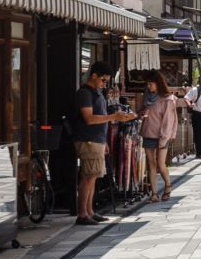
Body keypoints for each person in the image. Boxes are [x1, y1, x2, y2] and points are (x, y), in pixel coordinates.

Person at [71, 62, 135, 226]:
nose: (105, 84)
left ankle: (90, 211)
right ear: (94, 76)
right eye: (103, 80)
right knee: (88, 176)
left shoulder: (96, 92)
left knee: (93, 176)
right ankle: (83, 213)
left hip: (96, 139)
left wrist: (104, 140)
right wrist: (115, 117)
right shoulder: (85, 93)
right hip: (88, 139)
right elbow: (89, 118)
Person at [139, 73, 178, 203]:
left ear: (158, 83)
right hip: (148, 132)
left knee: (161, 164)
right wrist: (141, 113)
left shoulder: (168, 99)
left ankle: (167, 186)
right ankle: (154, 194)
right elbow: (140, 112)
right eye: (147, 84)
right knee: (151, 165)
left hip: (162, 135)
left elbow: (168, 121)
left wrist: (164, 137)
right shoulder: (147, 97)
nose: (148, 86)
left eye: (151, 84)